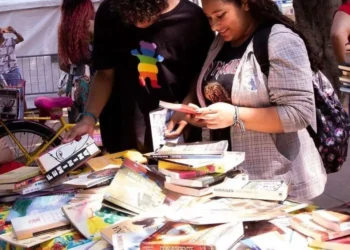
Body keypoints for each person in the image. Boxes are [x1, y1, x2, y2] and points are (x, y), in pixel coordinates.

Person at [179, 0, 326, 200]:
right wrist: (197, 108)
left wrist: (235, 116)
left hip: (276, 182)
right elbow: (209, 81)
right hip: (226, 179)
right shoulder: (220, 42)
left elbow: (298, 113)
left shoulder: (280, 40)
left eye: (220, 15)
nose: (214, 26)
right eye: (209, 18)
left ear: (245, 4)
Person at [64, 0, 214, 153]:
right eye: (131, 17)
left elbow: (202, 75)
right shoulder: (109, 12)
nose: (138, 25)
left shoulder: (194, 19)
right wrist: (88, 118)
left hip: (176, 134)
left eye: (145, 18)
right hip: (122, 135)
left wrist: (187, 107)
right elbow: (105, 74)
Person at [58, 0, 96, 123]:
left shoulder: (63, 28)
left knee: (76, 128)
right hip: (94, 82)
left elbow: (62, 65)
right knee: (95, 125)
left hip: (73, 83)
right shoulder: (92, 26)